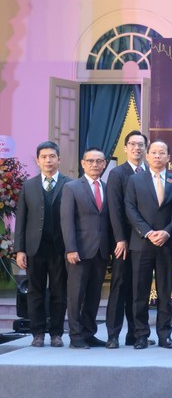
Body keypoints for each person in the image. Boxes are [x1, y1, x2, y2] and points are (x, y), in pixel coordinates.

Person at [14, 141, 71, 347]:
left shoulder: (69, 184)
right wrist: (19, 250)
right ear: (38, 161)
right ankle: (37, 333)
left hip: (60, 248)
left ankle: (56, 333)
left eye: (52, 156)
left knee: (59, 291)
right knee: (35, 292)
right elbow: (21, 220)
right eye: (44, 157)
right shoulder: (28, 186)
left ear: (59, 159)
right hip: (34, 248)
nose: (48, 160)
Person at [124, 140, 172, 350]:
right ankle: (140, 335)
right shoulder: (135, 180)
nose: (157, 156)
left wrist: (167, 232)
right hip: (142, 243)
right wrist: (147, 232)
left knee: (165, 293)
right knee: (140, 293)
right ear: (147, 156)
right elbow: (130, 208)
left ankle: (165, 335)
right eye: (153, 152)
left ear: (168, 157)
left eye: (161, 153)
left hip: (166, 243)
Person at [61, 147, 111, 349]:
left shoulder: (107, 187)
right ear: (83, 163)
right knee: (76, 295)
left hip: (101, 251)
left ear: (104, 164)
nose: (95, 164)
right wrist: (70, 249)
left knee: (93, 295)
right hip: (79, 252)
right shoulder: (72, 188)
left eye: (99, 161)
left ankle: (89, 333)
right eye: (90, 161)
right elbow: (67, 221)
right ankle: (75, 336)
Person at [105, 130, 148, 349]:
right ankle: (113, 334)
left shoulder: (150, 172)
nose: (137, 148)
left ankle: (135, 333)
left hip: (144, 242)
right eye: (132, 144)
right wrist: (120, 238)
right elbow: (114, 209)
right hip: (124, 241)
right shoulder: (118, 174)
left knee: (138, 288)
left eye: (141, 144)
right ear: (125, 148)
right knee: (120, 287)